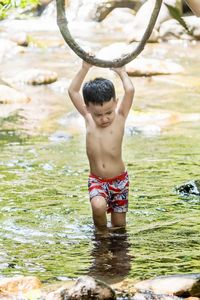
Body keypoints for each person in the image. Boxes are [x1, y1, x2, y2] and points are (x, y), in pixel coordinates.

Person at [68, 60, 135, 230]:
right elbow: (72, 91)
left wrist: (121, 71)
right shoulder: (88, 119)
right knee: (98, 206)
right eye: (99, 114)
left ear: (115, 103)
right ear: (88, 108)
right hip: (97, 179)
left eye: (108, 112)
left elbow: (130, 90)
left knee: (119, 225)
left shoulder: (120, 117)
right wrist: (85, 68)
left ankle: (117, 249)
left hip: (119, 180)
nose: (104, 118)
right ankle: (101, 239)